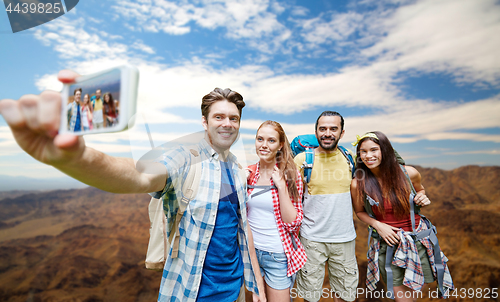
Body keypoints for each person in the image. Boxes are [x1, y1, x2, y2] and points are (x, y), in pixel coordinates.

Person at [0, 70, 265, 302]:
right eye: (219, 117)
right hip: (193, 292)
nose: (227, 124)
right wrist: (78, 160)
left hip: (235, 291)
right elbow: (141, 175)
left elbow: (241, 232)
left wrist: (255, 288)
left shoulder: (237, 170)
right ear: (204, 122)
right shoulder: (185, 156)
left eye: (234, 118)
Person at [350, 131, 454, 302]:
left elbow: (420, 189)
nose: (368, 156)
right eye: (363, 151)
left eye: (374, 150)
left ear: (385, 150)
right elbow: (360, 212)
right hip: (389, 245)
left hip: (419, 242)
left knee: (413, 297)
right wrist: (378, 225)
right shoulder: (358, 183)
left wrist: (422, 196)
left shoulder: (409, 173)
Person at [294, 111, 358, 302]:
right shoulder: (302, 161)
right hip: (311, 239)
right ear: (316, 132)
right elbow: (291, 198)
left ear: (342, 132)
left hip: (344, 238)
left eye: (333, 129)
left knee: (345, 296)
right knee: (310, 296)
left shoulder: (351, 159)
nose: (327, 133)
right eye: (322, 129)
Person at [246, 120, 307, 302]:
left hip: (277, 256)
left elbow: (293, 222)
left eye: (271, 140)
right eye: (260, 139)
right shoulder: (249, 173)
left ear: (280, 145)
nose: (264, 145)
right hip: (251, 253)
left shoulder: (291, 174)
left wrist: (281, 186)